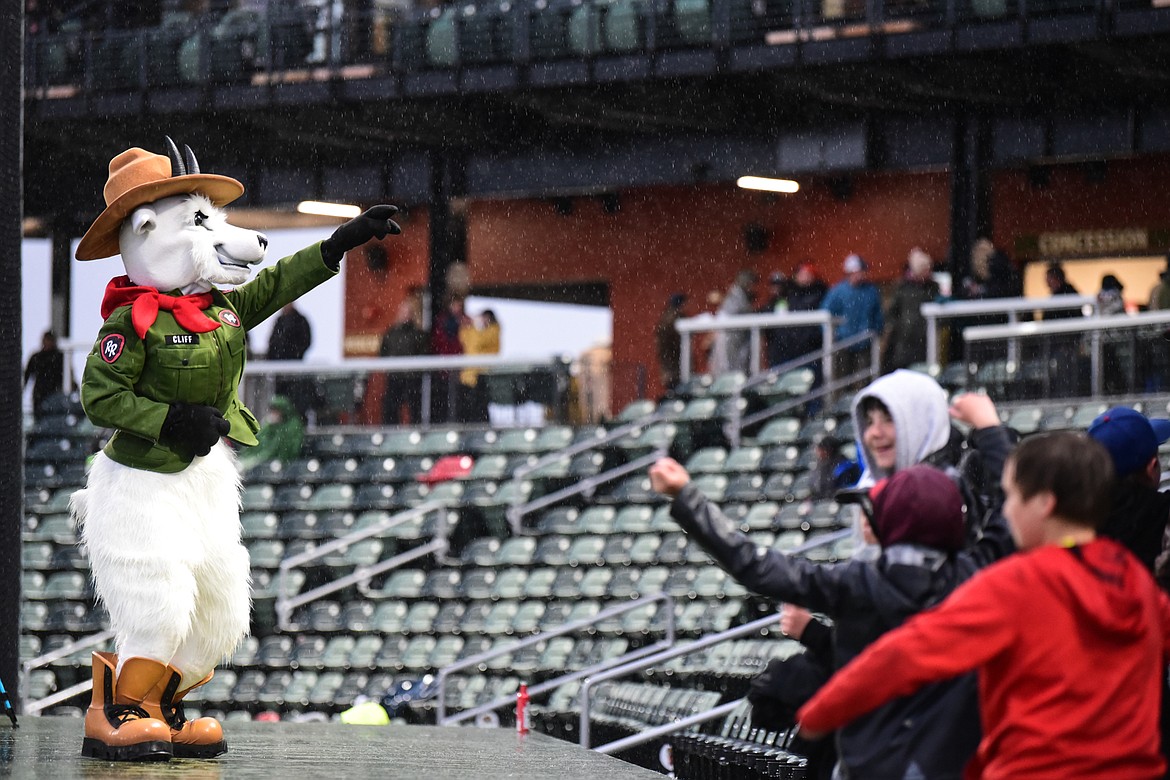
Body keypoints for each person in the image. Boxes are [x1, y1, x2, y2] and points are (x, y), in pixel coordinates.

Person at [649, 390, 1015, 779]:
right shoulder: (975, 577)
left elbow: (753, 565)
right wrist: (989, 428)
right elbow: (1009, 504)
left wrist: (686, 498)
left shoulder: (857, 583)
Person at [797, 432, 1170, 779]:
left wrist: (820, 713)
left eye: (1012, 497)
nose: (1005, 513)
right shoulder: (1137, 582)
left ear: (1043, 504)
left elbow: (909, 652)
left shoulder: (1018, 585)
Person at [820, 254, 882, 391]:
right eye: (859, 271)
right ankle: (840, 409)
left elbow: (877, 315)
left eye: (862, 271)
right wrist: (831, 335)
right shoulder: (838, 291)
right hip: (843, 344)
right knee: (842, 382)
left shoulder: (870, 291)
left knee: (864, 382)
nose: (861, 275)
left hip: (864, 342)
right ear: (850, 272)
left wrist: (877, 330)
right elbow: (825, 315)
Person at [882, 248, 939, 373]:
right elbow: (891, 313)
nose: (928, 272)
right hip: (905, 341)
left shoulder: (933, 288)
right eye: (925, 269)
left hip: (924, 339)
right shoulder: (902, 288)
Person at [379, 298, 429, 425]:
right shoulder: (391, 333)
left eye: (408, 312)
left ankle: (416, 434)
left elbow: (424, 354)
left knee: (415, 409)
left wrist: (416, 370)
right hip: (395, 377)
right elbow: (383, 353)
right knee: (390, 408)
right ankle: (390, 434)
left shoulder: (418, 334)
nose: (405, 314)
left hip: (412, 378)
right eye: (403, 311)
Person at [267, 302, 315, 421]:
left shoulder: (300, 321)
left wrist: (294, 355)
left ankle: (294, 420)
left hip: (294, 370)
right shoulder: (279, 321)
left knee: (295, 402)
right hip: (279, 371)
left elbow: (305, 341)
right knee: (280, 402)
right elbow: (273, 343)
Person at [236, 394, 304, 472]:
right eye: (272, 411)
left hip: (279, 464)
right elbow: (258, 440)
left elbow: (288, 447)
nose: (273, 414)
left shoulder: (293, 425)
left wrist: (281, 459)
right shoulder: (270, 424)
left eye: (276, 411)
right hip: (263, 461)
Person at [708, 269, 757, 377]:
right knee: (730, 373)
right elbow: (725, 319)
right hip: (731, 343)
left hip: (738, 343)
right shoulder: (735, 298)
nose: (752, 287)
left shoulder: (739, 297)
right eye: (751, 284)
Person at [458, 308, 500, 423]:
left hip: (483, 374)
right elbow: (462, 337)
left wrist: (476, 326)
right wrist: (467, 325)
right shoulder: (473, 331)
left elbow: (479, 342)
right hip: (468, 375)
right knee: (466, 407)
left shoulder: (493, 331)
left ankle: (482, 429)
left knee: (481, 407)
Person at [431, 293, 468, 423]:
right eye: (455, 304)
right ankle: (446, 420)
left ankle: (457, 420)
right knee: (445, 394)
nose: (457, 307)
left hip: (460, 365)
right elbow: (439, 342)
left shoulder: (464, 321)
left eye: (459, 305)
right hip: (445, 365)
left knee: (458, 394)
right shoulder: (443, 321)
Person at [24, 330, 65, 419]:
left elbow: (68, 376)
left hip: (55, 395)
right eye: (46, 340)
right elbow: (26, 376)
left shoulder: (59, 357)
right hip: (39, 395)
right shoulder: (36, 357)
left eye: (50, 340)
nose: (47, 343)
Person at [807, 433, 860, 500]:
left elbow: (842, 491)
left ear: (829, 449)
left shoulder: (844, 465)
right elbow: (814, 489)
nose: (817, 451)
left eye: (821, 448)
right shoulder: (819, 466)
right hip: (824, 503)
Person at [654, 292, 687, 397]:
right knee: (678, 396)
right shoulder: (674, 320)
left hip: (670, 369)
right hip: (674, 369)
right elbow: (674, 346)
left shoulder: (666, 318)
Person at [760, 271, 790, 369]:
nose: (776, 288)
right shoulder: (768, 305)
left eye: (779, 285)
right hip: (774, 345)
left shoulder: (791, 301)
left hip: (789, 344)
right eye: (773, 285)